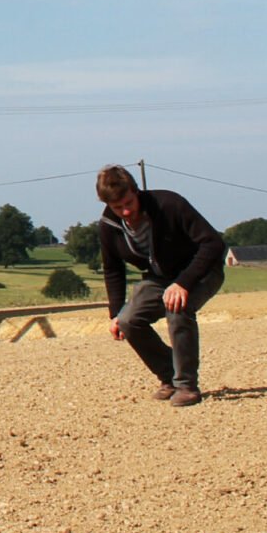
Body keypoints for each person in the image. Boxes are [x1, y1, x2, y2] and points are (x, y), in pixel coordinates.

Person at [95, 165, 226, 407]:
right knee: (128, 320)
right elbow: (113, 269)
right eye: (117, 207)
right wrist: (115, 314)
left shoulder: (169, 205)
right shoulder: (108, 226)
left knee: (177, 307)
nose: (125, 211)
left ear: (136, 191)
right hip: (159, 278)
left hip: (201, 272)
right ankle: (169, 376)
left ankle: (187, 386)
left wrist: (183, 283)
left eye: (128, 203)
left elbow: (213, 244)